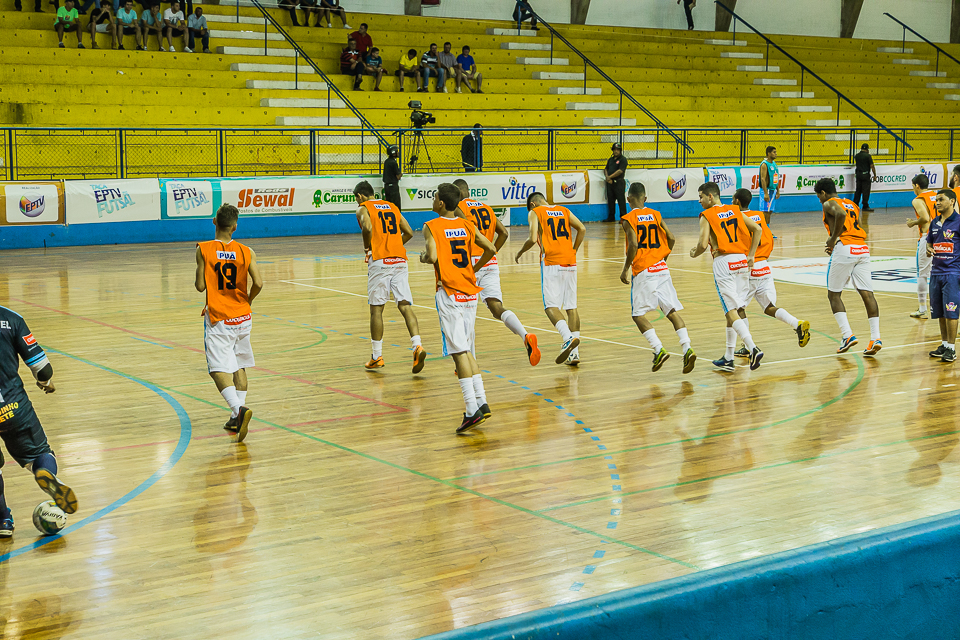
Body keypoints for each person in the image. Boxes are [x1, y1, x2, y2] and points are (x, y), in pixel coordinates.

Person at [420, 184, 498, 433]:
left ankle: (470, 409)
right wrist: (473, 271)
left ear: (441, 203)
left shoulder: (431, 225)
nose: (433, 201)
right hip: (470, 293)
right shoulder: (466, 225)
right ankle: (482, 401)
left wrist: (424, 257)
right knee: (467, 349)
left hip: (450, 292)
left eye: (434, 197)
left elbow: (432, 257)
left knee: (458, 351)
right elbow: (492, 248)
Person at [0, 305, 80, 537]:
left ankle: (3, 520)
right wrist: (45, 380)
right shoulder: (11, 319)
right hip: (14, 407)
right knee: (37, 454)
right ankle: (47, 473)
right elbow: (42, 368)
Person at [194, 204, 263, 442]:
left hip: (219, 317)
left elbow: (200, 287)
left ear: (215, 222)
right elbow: (259, 283)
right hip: (243, 316)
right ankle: (236, 419)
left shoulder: (204, 249)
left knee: (218, 368)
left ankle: (238, 410)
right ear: (235, 226)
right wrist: (248, 301)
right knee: (239, 365)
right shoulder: (247, 251)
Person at [453, 179, 541, 366]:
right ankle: (525, 335)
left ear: (457, 193)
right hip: (490, 261)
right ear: (468, 191)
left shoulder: (459, 207)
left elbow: (470, 231)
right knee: (497, 308)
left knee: (465, 312)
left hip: (471, 262)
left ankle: (469, 360)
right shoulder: (486, 207)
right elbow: (504, 233)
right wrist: (491, 250)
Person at [619, 182, 696, 374]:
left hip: (644, 270)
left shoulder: (628, 218)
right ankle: (687, 348)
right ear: (645, 199)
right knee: (671, 311)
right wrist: (663, 259)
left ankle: (658, 349)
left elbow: (634, 245)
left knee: (638, 315)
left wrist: (625, 268)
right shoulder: (656, 214)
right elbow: (671, 238)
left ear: (628, 200)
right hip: (661, 268)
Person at [352, 181, 426, 373]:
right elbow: (409, 232)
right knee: (405, 305)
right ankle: (417, 345)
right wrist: (394, 244)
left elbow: (367, 228)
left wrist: (368, 249)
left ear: (360, 196)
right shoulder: (392, 207)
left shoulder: (363, 208)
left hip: (380, 261)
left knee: (377, 309)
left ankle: (377, 356)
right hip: (400, 260)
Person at [690, 182, 764, 372]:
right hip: (741, 261)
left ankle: (752, 347)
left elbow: (703, 243)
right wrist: (751, 255)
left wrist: (693, 253)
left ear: (710, 197)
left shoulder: (706, 215)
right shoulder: (734, 210)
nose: (699, 201)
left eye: (701, 197)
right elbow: (757, 229)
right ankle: (729, 357)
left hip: (724, 261)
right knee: (734, 309)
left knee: (730, 309)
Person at [731, 188, 811, 358]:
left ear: (737, 202)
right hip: (764, 265)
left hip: (749, 266)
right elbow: (768, 238)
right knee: (769, 307)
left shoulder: (737, 218)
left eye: (732, 200)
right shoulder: (759, 215)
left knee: (737, 308)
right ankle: (797, 323)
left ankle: (746, 346)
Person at [515, 192, 586, 366]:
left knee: (550, 306)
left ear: (533, 204)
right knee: (571, 306)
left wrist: (520, 252)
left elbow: (532, 239)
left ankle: (567, 337)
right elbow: (582, 229)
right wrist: (574, 249)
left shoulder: (535, 212)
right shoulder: (563, 210)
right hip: (570, 260)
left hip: (551, 261)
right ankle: (574, 354)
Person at [815, 177, 881, 356]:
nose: (819, 200)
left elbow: (841, 216)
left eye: (818, 196)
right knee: (867, 293)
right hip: (862, 248)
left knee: (834, 295)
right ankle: (875, 337)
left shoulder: (829, 203)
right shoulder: (852, 203)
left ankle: (847, 335)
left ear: (823, 193)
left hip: (845, 247)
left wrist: (833, 239)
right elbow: (853, 224)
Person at [925, 189, 960, 363]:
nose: (937, 203)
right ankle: (945, 344)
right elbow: (929, 242)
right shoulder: (934, 223)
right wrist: (928, 248)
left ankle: (952, 350)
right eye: (936, 200)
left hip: (953, 273)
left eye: (941, 199)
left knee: (951, 311)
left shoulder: (959, 222)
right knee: (940, 312)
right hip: (936, 272)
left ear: (952, 201)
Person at [906, 174, 938, 319]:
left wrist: (913, 223)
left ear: (917, 186)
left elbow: (925, 218)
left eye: (913, 186)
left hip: (928, 237)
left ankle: (922, 307)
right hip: (942, 237)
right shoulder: (937, 195)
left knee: (922, 275)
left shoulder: (918, 200)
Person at [604, 143, 627, 222]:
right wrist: (607, 177)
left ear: (620, 151)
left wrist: (610, 177)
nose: (616, 151)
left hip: (619, 182)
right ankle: (611, 217)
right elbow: (606, 169)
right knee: (610, 200)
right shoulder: (610, 159)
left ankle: (623, 218)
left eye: (617, 150)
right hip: (610, 183)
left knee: (621, 201)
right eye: (614, 150)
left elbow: (620, 171)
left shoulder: (623, 159)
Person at [853, 143, 877, 217]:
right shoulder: (868, 156)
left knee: (858, 190)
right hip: (865, 175)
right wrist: (875, 175)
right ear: (867, 149)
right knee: (866, 191)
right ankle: (865, 205)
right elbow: (872, 166)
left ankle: (855, 204)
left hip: (858, 175)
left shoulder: (857, 156)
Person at [758, 146, 780, 226]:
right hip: (766, 190)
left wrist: (778, 190)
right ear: (768, 153)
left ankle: (767, 229)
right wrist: (765, 193)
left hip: (773, 190)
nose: (776, 154)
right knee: (765, 211)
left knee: (770, 210)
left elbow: (776, 178)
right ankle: (764, 229)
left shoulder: (774, 164)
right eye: (774, 152)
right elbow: (763, 179)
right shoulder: (764, 164)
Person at [382, 146, 403, 210]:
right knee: (396, 206)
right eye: (397, 151)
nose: (398, 152)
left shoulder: (386, 161)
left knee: (389, 206)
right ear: (393, 153)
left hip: (387, 187)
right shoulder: (393, 163)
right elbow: (398, 176)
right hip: (393, 187)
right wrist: (401, 174)